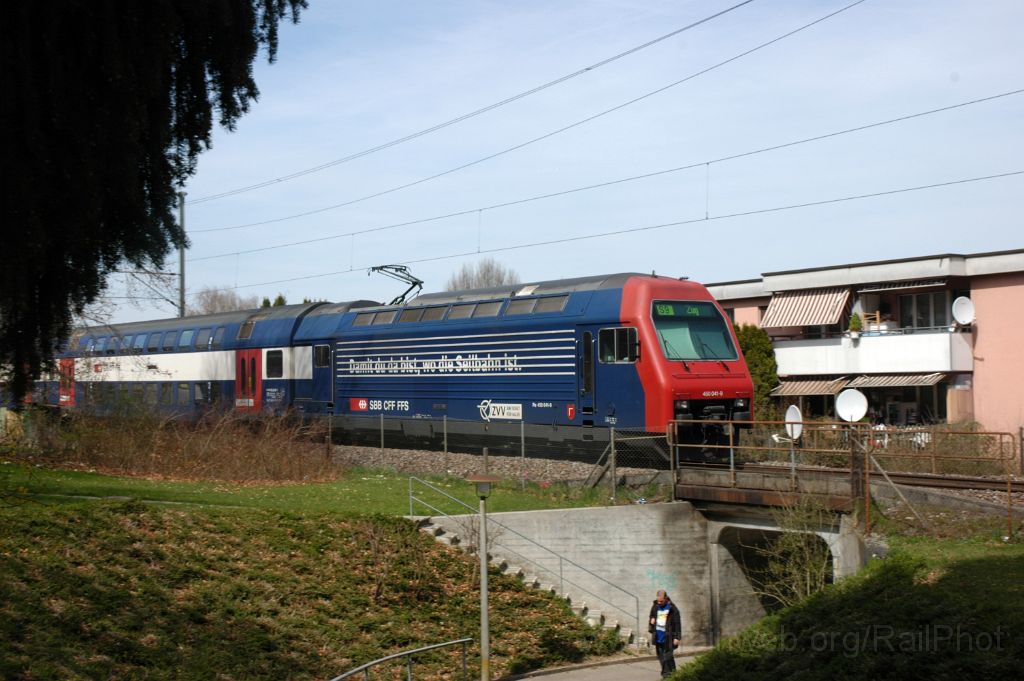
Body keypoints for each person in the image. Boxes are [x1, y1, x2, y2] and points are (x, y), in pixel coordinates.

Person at [648, 589, 681, 678]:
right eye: (658, 601)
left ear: (666, 598)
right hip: (658, 636)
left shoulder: (672, 608)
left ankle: (670, 675)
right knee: (661, 657)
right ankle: (669, 675)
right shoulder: (655, 606)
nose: (659, 603)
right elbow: (651, 615)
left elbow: (677, 623)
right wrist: (652, 619)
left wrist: (677, 637)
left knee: (668, 657)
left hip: (669, 637)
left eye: (661, 601)